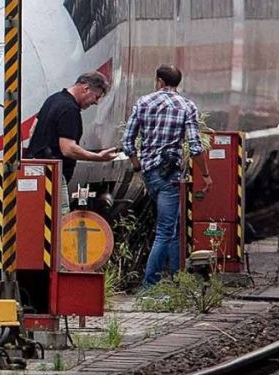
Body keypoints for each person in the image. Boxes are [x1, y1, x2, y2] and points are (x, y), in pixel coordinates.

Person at [122, 64, 212, 285]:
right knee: (165, 230)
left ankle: (177, 276)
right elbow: (195, 146)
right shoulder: (186, 106)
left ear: (159, 81)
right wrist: (206, 175)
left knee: (172, 227)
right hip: (170, 176)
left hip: (150, 174)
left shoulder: (143, 102)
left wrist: (137, 166)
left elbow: (127, 141)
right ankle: (150, 284)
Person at [25, 71, 119, 213]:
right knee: (60, 221)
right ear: (86, 88)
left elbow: (32, 131)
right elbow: (68, 149)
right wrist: (98, 157)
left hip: (34, 171)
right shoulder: (70, 109)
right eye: (96, 97)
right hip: (53, 175)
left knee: (36, 218)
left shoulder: (53, 99)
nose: (95, 102)